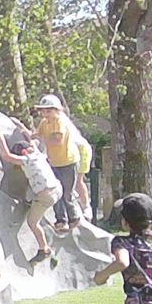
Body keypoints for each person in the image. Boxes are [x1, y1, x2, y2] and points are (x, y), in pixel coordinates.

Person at [0, 124, 62, 261]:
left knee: (32, 222)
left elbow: (7, 156)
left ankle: (44, 249)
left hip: (46, 195)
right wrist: (20, 125)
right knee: (32, 191)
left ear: (23, 153)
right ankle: (30, 202)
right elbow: (29, 138)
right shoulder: (37, 154)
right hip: (57, 189)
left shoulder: (27, 160)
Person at [33, 95, 93, 228]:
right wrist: (24, 131)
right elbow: (36, 135)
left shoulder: (60, 122)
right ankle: (61, 220)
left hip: (68, 162)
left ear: (57, 110)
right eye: (43, 111)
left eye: (49, 111)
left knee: (68, 192)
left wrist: (43, 138)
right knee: (56, 191)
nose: (45, 114)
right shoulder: (44, 123)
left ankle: (75, 217)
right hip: (54, 162)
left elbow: (57, 140)